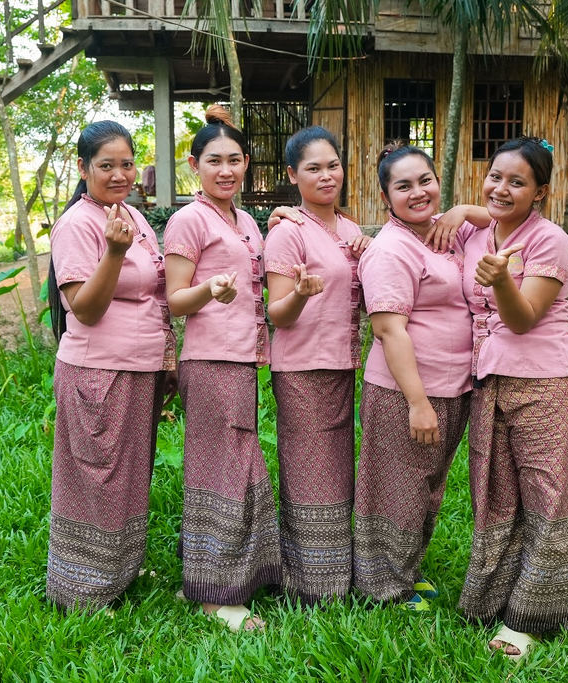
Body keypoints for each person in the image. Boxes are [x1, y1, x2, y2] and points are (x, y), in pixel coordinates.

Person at [455, 136, 568, 661]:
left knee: (547, 498)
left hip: (546, 382)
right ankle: (491, 599)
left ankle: (530, 618)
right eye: (495, 176)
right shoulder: (475, 230)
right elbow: (439, 218)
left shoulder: (552, 241)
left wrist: (503, 281)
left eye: (517, 182)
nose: (501, 188)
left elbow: (524, 317)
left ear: (541, 193)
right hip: (489, 379)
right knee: (495, 495)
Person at [45, 121, 176, 612]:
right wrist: (115, 254)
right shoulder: (78, 224)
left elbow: (158, 294)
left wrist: (168, 360)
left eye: (127, 164)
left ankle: (122, 568)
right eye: (106, 166)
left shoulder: (132, 217)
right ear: (83, 168)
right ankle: (83, 590)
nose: (120, 174)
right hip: (98, 370)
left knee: (130, 474)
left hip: (139, 369)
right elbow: (85, 308)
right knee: (96, 476)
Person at [353, 144, 488, 610]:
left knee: (429, 485)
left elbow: (507, 218)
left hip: (452, 386)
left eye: (425, 180)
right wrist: (417, 402)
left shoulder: (448, 233)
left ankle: (405, 570)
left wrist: (466, 208)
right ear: (386, 196)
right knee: (398, 486)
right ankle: (384, 587)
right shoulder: (391, 249)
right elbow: (390, 329)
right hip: (406, 391)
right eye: (403, 186)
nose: (418, 192)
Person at [163, 105, 281, 631]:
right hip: (210, 361)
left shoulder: (245, 220)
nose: (226, 170)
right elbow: (173, 300)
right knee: (221, 471)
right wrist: (209, 290)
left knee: (238, 466)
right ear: (195, 166)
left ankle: (236, 572)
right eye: (214, 161)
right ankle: (215, 597)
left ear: (248, 163)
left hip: (241, 360)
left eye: (235, 160)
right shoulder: (190, 219)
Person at [263, 126, 371, 605]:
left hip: (343, 365)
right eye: (313, 168)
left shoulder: (351, 230)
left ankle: (336, 572)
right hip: (302, 367)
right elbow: (276, 314)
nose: (326, 176)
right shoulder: (288, 233)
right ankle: (310, 583)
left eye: (332, 165)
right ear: (293, 175)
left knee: (337, 468)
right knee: (309, 471)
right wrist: (301, 296)